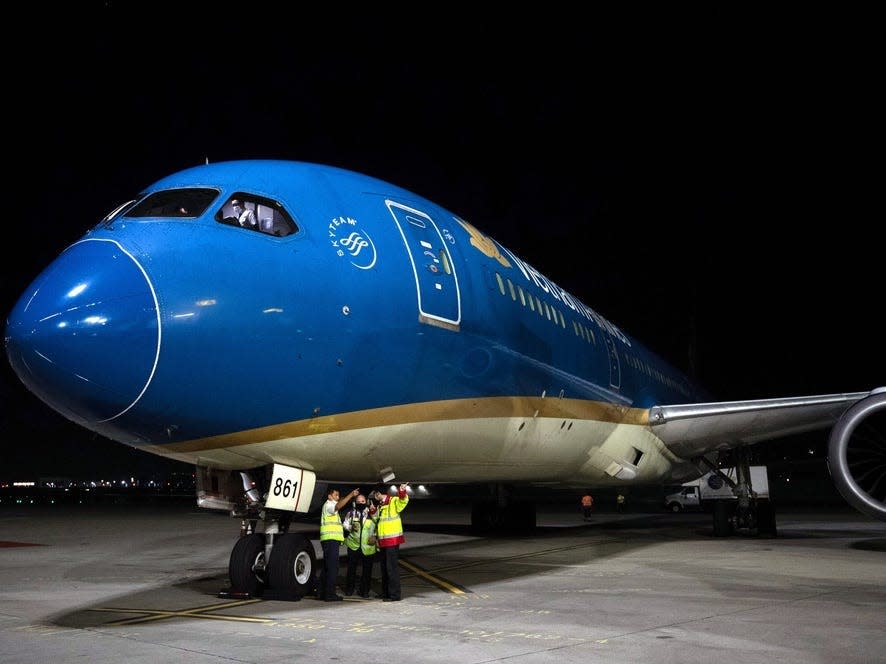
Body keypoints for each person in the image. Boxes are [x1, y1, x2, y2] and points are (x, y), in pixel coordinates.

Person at [318, 486, 360, 601]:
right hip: (330, 540)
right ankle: (330, 594)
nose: (337, 497)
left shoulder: (329, 505)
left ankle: (321, 592)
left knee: (327, 567)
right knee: (333, 568)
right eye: (335, 495)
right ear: (329, 496)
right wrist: (351, 495)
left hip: (329, 540)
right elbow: (337, 506)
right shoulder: (329, 505)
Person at [373, 483, 410, 601]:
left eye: (375, 494)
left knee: (391, 568)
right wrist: (372, 512)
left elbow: (403, 501)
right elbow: (377, 521)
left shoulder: (393, 501)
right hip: (383, 541)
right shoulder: (381, 505)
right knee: (384, 568)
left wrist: (402, 491)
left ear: (378, 494)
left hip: (392, 540)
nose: (374, 497)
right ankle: (386, 593)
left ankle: (394, 595)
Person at [343, 492, 369, 595]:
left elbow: (375, 525)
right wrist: (350, 528)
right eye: (358, 502)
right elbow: (345, 524)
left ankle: (364, 591)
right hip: (353, 546)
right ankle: (349, 589)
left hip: (367, 546)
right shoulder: (351, 513)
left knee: (366, 570)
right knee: (351, 569)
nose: (360, 503)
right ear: (355, 503)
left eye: (362, 501)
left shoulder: (371, 512)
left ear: (366, 502)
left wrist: (374, 536)